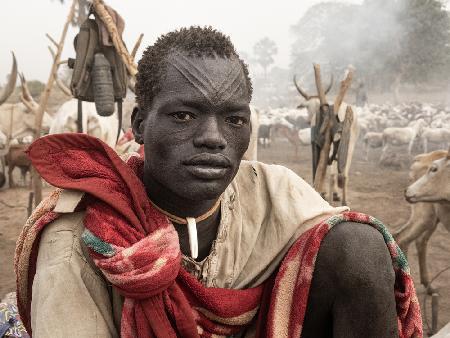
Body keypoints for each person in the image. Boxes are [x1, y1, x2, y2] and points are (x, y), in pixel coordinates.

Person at [15, 27, 422, 337]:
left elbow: (358, 266)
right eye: (184, 116)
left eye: (234, 120)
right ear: (139, 125)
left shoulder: (274, 192)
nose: (213, 137)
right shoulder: (79, 241)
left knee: (361, 245)